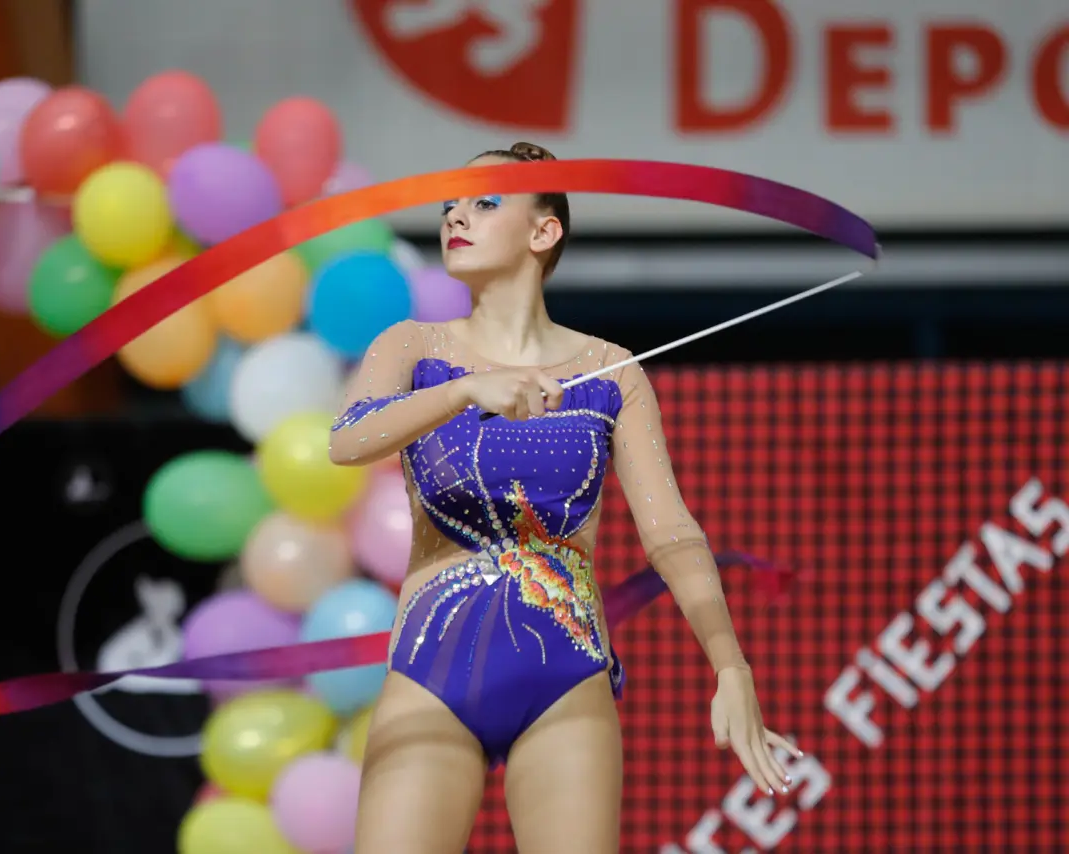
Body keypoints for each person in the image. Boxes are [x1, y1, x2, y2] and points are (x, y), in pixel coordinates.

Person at [330, 142, 800, 854]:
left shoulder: (611, 370)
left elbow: (671, 532)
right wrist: (463, 390)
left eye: (485, 202)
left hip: (565, 679)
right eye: (450, 205)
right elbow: (347, 440)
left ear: (544, 231)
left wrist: (730, 666)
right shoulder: (412, 346)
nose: (455, 215)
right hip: (430, 673)